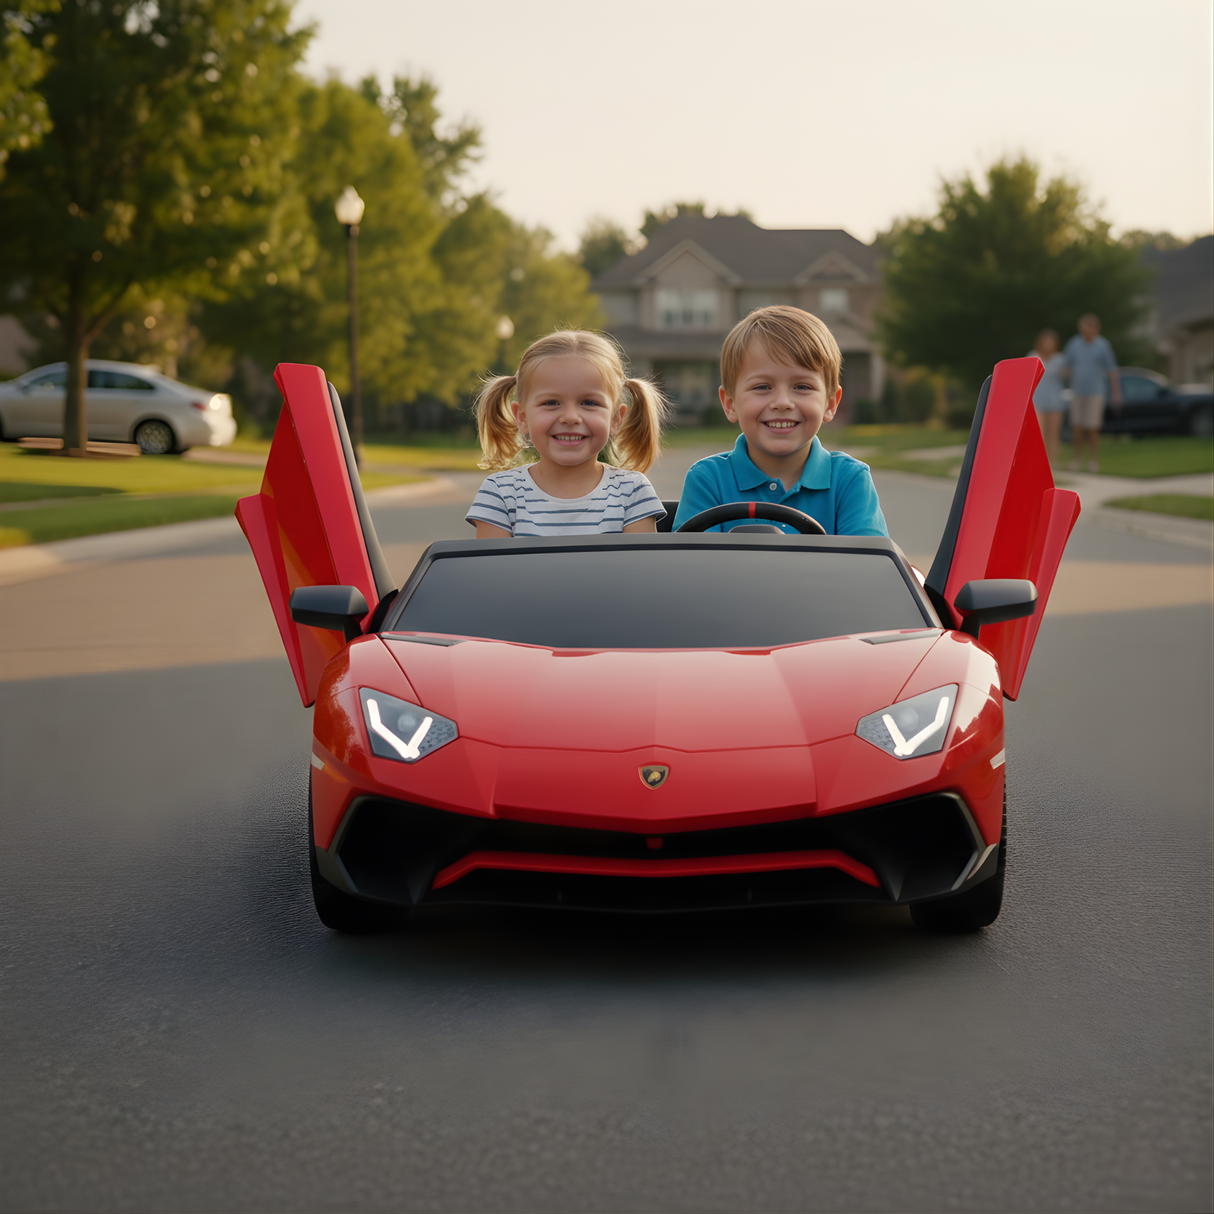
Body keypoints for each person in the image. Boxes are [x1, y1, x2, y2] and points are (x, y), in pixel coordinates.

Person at [672, 305, 887, 535]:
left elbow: (867, 566)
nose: (782, 402)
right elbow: (692, 567)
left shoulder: (849, 480)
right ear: (730, 404)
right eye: (762, 387)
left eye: (802, 387)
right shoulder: (708, 480)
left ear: (830, 403)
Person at [467, 330, 668, 536]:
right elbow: (493, 568)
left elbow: (640, 567)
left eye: (589, 403)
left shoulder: (633, 492)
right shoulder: (500, 494)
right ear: (522, 417)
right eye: (551, 403)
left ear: (616, 418)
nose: (570, 417)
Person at [1062, 313, 1121, 473]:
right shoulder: (1073, 344)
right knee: (1077, 427)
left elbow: (1112, 370)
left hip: (1096, 392)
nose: (1087, 331)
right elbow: (1066, 366)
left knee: (1093, 427)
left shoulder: (1103, 345)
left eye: (1090, 327)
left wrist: (1116, 393)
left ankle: (1093, 461)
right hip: (1078, 392)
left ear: (1096, 328)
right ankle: (1076, 459)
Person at [1029, 328, 1067, 466]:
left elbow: (1067, 376)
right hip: (1037, 401)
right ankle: (1039, 462)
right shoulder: (1032, 356)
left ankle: (1054, 461)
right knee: (1039, 434)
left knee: (1054, 433)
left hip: (1055, 400)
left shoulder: (1060, 360)